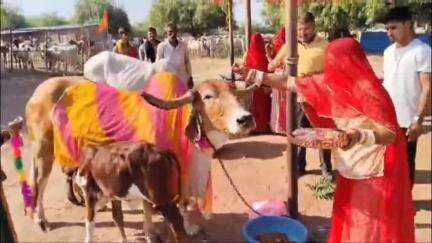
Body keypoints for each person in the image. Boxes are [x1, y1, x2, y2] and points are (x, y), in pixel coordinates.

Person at [244, 37, 415, 243]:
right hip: (350, 165)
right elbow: (289, 82)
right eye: (330, 62)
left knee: (369, 226)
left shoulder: (369, 91)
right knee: (350, 218)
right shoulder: (333, 84)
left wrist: (359, 135)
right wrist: (253, 74)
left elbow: (390, 133)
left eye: (337, 62)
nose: (332, 67)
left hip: (373, 171)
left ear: (352, 62)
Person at [382, 6, 431, 187]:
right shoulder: (387, 52)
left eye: (393, 28)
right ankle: (392, 203)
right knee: (387, 164)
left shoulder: (422, 51)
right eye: (387, 29)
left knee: (406, 166)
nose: (389, 33)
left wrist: (418, 120)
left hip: (408, 122)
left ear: (408, 25)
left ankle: (405, 207)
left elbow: (427, 88)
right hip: (387, 120)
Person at [157, 23, 193, 89]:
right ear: (166, 33)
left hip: (183, 81)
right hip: (168, 83)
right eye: (170, 32)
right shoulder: (162, 46)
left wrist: (190, 77)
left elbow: (187, 61)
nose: (173, 34)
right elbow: (158, 65)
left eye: (175, 31)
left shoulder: (183, 45)